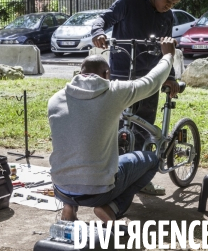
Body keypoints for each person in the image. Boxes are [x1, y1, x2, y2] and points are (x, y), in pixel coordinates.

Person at [48, 38, 176, 224]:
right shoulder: (113, 92)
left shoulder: (54, 99)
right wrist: (168, 55)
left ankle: (69, 209)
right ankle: (111, 207)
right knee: (151, 160)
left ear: (79, 73)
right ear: (107, 73)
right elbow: (152, 82)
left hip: (60, 189)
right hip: (99, 193)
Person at [90, 0, 185, 196]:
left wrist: (169, 76)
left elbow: (167, 50)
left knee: (143, 130)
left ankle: (141, 180)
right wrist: (98, 33)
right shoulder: (130, 2)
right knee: (115, 127)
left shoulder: (167, 17)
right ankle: (110, 176)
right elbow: (103, 19)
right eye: (168, 0)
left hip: (150, 80)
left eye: (174, 4)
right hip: (121, 78)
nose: (169, 7)